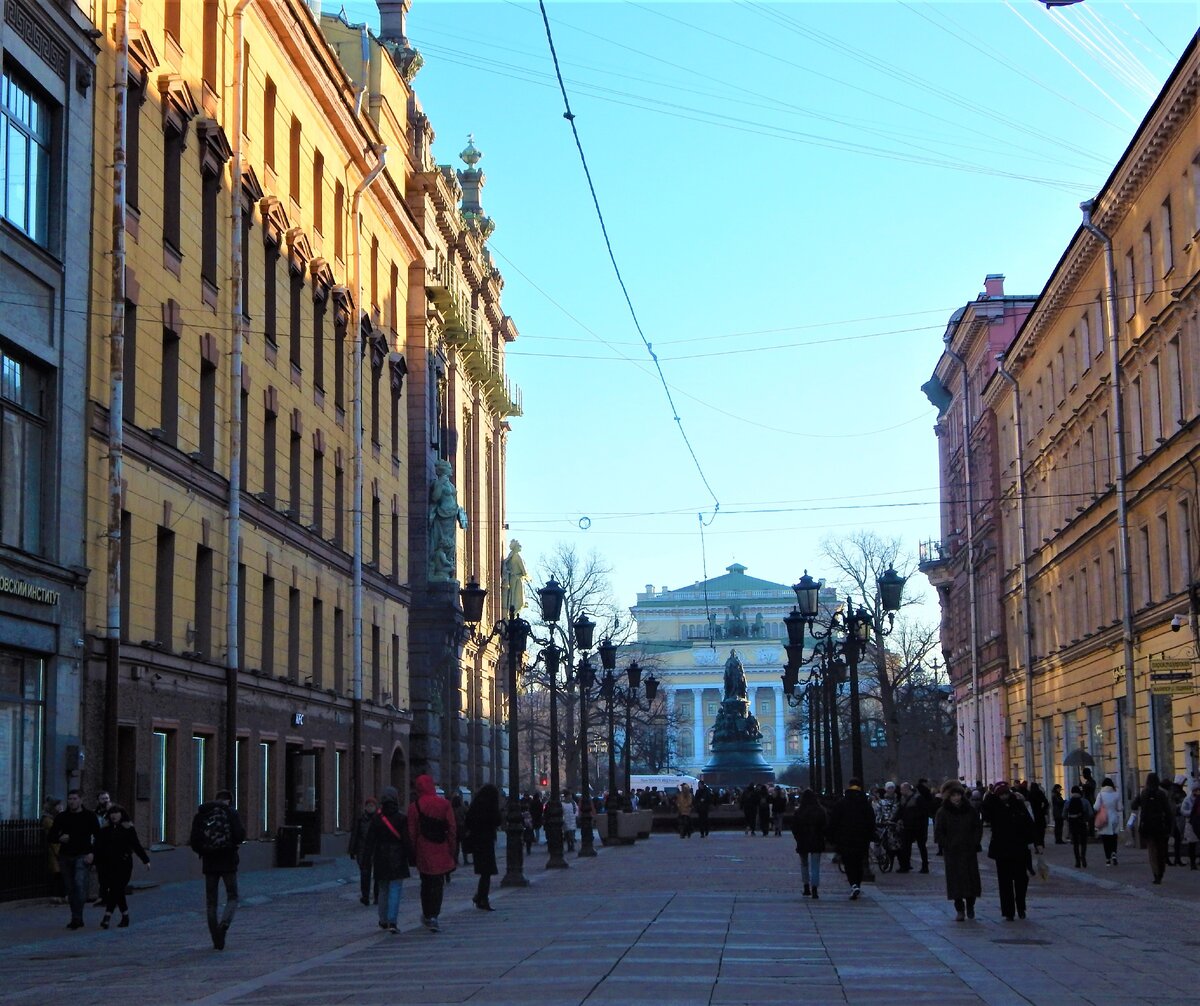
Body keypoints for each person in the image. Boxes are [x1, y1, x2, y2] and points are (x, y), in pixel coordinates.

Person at [188, 789, 246, 950]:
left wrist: (204, 851)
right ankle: (224, 925)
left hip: (209, 862)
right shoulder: (231, 813)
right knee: (232, 896)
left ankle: (216, 937)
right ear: (229, 801)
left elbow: (194, 840)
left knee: (211, 901)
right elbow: (240, 835)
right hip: (228, 861)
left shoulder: (202, 813)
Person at [408, 773, 456, 932]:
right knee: (438, 883)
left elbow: (412, 832)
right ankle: (435, 914)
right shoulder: (444, 804)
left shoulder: (414, 807)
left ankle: (427, 913)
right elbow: (452, 829)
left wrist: (414, 852)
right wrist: (452, 849)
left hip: (423, 848)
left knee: (426, 883)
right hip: (440, 847)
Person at [362, 786, 411, 933]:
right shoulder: (401, 818)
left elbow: (369, 841)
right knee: (395, 889)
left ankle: (383, 919)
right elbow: (406, 840)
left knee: (383, 889)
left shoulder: (377, 819)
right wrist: (412, 857)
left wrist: (366, 860)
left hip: (381, 857)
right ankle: (392, 921)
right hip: (398, 857)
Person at [982, 782, 1033, 921]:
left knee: (1021, 880)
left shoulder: (1018, 804)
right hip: (1002, 850)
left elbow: (1028, 823)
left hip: (1019, 848)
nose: (1004, 797)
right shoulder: (994, 806)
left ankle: (1021, 906)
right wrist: (990, 797)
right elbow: (985, 814)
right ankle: (1008, 911)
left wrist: (1035, 842)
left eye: (1006, 793)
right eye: (1001, 794)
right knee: (1005, 882)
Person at [94, 804, 150, 928]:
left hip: (124, 864)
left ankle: (107, 916)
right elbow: (99, 846)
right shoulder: (105, 829)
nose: (114, 816)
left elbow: (136, 844)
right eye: (112, 813)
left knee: (117, 888)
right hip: (108, 864)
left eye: (116, 813)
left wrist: (145, 859)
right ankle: (125, 916)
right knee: (116, 890)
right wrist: (95, 860)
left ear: (121, 814)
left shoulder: (127, 828)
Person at [48, 790, 98, 929]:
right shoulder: (62, 817)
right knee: (70, 888)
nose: (72, 801)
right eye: (70, 799)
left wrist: (92, 854)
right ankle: (76, 917)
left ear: (80, 800)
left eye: (75, 798)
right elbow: (50, 836)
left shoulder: (89, 816)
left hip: (83, 854)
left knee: (79, 885)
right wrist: (59, 838)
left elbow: (98, 837)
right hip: (66, 856)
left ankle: (77, 917)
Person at [934, 780, 982, 921]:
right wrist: (947, 844)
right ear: (948, 796)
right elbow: (939, 832)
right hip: (953, 852)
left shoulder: (970, 810)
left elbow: (977, 827)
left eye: (958, 795)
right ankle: (959, 909)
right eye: (953, 795)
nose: (956, 798)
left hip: (968, 850)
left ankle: (971, 905)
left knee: (971, 880)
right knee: (956, 882)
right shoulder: (943, 812)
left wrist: (974, 842)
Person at [827, 778, 875, 901]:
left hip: (845, 838)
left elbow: (834, 821)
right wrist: (871, 835)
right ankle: (857, 884)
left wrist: (832, 837)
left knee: (849, 863)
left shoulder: (842, 803)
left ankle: (853, 884)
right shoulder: (865, 804)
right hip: (862, 838)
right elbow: (871, 822)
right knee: (859, 862)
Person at [464, 783, 502, 911]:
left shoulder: (475, 805)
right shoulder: (490, 807)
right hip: (487, 841)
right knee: (487, 872)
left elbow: (468, 821)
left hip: (477, 842)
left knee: (484, 872)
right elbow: (498, 821)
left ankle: (480, 896)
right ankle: (482, 899)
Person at [1132, 772, 1173, 884]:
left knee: (1152, 850)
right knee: (1161, 849)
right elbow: (1168, 811)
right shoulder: (1161, 794)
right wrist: (1170, 825)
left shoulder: (1144, 793)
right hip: (1160, 824)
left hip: (1148, 825)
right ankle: (1161, 871)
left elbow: (1133, 805)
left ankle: (1155, 873)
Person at [790, 788, 827, 899]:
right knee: (815, 866)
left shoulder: (799, 812)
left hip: (803, 841)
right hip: (816, 840)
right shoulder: (820, 811)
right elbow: (825, 826)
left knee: (804, 864)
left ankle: (806, 886)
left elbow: (794, 828)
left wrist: (798, 838)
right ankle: (814, 889)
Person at [348, 795, 379, 905]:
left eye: (372, 805)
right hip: (363, 850)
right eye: (368, 805)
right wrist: (352, 850)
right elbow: (355, 835)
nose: (370, 807)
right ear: (365, 807)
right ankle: (365, 896)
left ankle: (377, 896)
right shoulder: (360, 819)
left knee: (377, 874)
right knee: (365, 874)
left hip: (376, 850)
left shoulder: (379, 819)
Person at [894, 781, 926, 873]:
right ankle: (906, 866)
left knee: (921, 847)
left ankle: (924, 866)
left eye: (901, 789)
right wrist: (893, 820)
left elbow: (923, 813)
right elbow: (899, 812)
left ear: (906, 789)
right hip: (908, 826)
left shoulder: (918, 798)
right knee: (906, 847)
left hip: (918, 827)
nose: (900, 791)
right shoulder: (904, 799)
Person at [1093, 777, 1123, 866]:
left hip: (1104, 819)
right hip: (1114, 818)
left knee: (1106, 840)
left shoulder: (1101, 794)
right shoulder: (1116, 794)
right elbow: (1120, 808)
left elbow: (1096, 807)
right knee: (1114, 838)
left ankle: (1107, 859)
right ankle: (1114, 853)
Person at [41, 796, 64, 904]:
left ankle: (60, 894)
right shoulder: (48, 820)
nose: (61, 807)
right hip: (54, 849)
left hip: (57, 848)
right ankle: (56, 895)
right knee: (57, 874)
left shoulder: (53, 818)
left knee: (60, 874)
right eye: (58, 805)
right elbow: (55, 833)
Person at [92, 790, 113, 906]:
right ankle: (102, 896)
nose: (105, 801)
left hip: (111, 847)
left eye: (107, 798)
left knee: (110, 873)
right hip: (99, 847)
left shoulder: (115, 812)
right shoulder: (95, 813)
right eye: (102, 799)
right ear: (98, 801)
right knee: (101, 873)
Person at [1065, 785, 1093, 868]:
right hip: (1082, 823)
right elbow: (1091, 813)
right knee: (1083, 842)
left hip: (1073, 824)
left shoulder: (1068, 802)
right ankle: (1083, 856)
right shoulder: (1085, 801)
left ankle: (1077, 861)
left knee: (1075, 843)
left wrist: (1069, 819)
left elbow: (1064, 814)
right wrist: (1086, 819)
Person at [1181, 783, 1200, 870]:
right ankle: (1192, 862)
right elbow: (1183, 810)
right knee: (1192, 844)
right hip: (1191, 823)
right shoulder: (1188, 799)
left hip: (1198, 823)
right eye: (1196, 790)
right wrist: (1191, 813)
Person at [451, 793, 469, 865]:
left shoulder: (451, 808)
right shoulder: (463, 808)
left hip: (455, 827)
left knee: (456, 845)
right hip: (462, 827)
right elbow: (468, 815)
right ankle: (465, 860)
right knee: (464, 844)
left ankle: (456, 860)